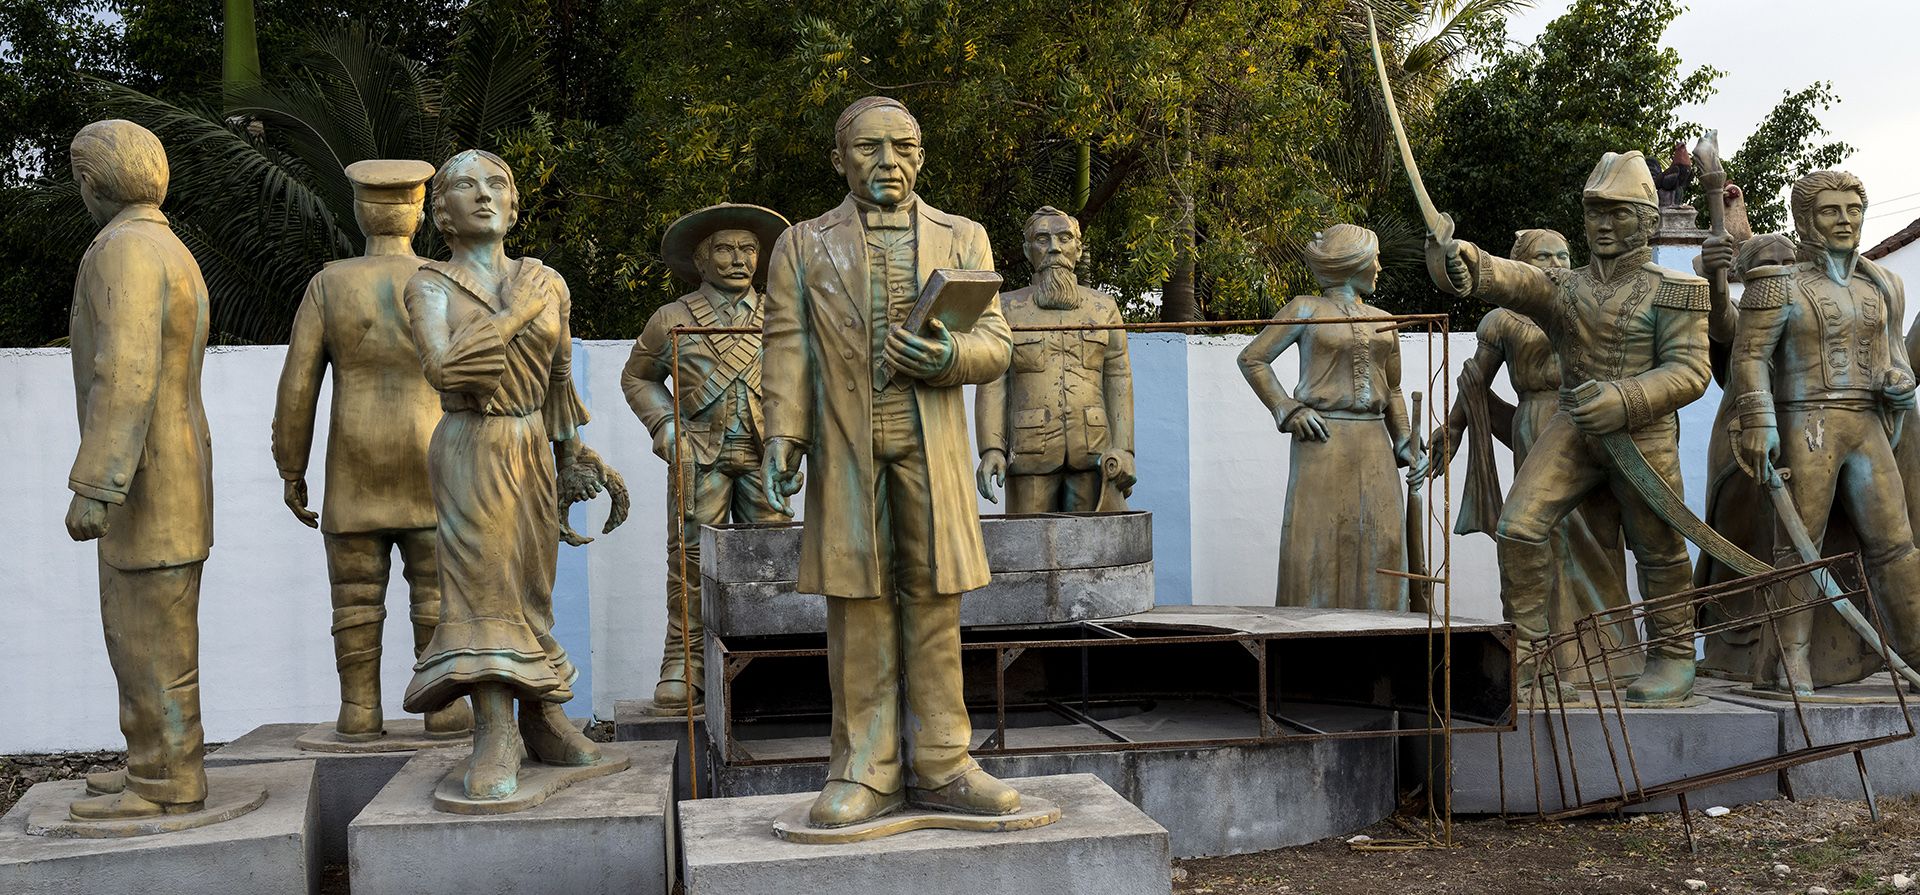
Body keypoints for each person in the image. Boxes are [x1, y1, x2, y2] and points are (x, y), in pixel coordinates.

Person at [760, 96, 1020, 827]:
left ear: (921, 157)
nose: (888, 162)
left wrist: (948, 356)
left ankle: (943, 762)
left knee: (936, 599)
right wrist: (783, 435)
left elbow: (997, 343)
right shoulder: (802, 245)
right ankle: (864, 770)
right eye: (869, 148)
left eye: (903, 147)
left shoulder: (962, 236)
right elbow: (787, 344)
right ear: (839, 160)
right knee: (858, 605)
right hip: (847, 448)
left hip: (930, 447)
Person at [1428, 151, 1712, 704]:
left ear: (1647, 221)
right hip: (1573, 428)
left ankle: (1674, 656)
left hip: (1644, 437)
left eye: (1618, 213)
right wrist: (1468, 261)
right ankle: (1530, 655)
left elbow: (1691, 371)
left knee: (1658, 548)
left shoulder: (1676, 289)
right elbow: (1518, 282)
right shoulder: (1566, 287)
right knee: (1518, 528)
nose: (1603, 224)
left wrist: (1625, 398)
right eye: (1594, 212)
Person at [400, 149, 618, 801]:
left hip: (531, 446)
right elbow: (445, 369)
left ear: (514, 203)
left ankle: (542, 718)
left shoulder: (545, 280)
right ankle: (494, 732)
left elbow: (559, 375)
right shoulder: (430, 286)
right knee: (483, 590)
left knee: (531, 587)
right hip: (472, 443)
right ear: (442, 211)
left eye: (497, 183)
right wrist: (513, 314)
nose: (485, 194)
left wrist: (571, 454)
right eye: (466, 185)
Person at [271, 159, 472, 741]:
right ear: (419, 214)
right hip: (434, 459)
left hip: (354, 464)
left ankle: (359, 710)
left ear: (360, 212)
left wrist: (291, 466)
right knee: (437, 592)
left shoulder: (330, 285)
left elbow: (298, 387)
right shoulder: (447, 281)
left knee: (354, 597)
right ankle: (443, 708)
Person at [1715, 170, 1920, 696]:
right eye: (1831, 211)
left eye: (1853, 210)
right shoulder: (1779, 284)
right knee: (1799, 547)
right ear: (1805, 221)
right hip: (1806, 425)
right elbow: (1749, 357)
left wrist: (1899, 382)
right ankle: (1791, 660)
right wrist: (1760, 422)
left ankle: (1915, 650)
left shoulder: (1883, 285)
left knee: (1896, 544)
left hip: (1867, 425)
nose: (1845, 221)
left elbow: (1893, 356)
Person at [63, 119, 214, 819]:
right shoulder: (166, 245)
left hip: (147, 481)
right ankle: (150, 758)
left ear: (91, 182)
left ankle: (163, 779)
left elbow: (124, 372)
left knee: (148, 636)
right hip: (172, 471)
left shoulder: (124, 249)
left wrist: (97, 484)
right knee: (149, 634)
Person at [1430, 229, 1636, 685]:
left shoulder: (1588, 306)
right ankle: (1549, 653)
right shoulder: (1503, 320)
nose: (1556, 264)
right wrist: (1454, 427)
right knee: (1545, 534)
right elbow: (1478, 379)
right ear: (1520, 262)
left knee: (1599, 535)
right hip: (1538, 423)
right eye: (1544, 256)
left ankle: (1608, 655)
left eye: (1563, 255)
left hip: (1593, 424)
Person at [622, 203, 793, 715]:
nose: (738, 259)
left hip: (766, 455)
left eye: (748, 249)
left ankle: (770, 664)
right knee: (691, 560)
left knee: (771, 559)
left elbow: (809, 379)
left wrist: (798, 439)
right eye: (724, 249)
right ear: (701, 259)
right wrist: (665, 424)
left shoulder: (784, 316)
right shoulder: (672, 318)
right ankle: (685, 662)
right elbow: (638, 377)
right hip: (699, 455)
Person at [1237, 224, 1420, 611]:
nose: (1379, 267)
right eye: (1374, 259)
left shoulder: (1384, 319)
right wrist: (1288, 408)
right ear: (1353, 262)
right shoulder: (1306, 308)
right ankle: (1310, 631)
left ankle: (1382, 631)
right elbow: (1253, 359)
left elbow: (1393, 389)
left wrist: (1404, 439)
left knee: (1383, 539)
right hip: (1322, 442)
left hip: (1375, 443)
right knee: (1315, 541)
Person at [975, 206, 1136, 512]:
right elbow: (993, 380)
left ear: (1078, 249)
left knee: (1092, 538)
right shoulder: (1005, 308)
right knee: (1029, 538)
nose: (1054, 248)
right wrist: (992, 448)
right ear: (1027, 251)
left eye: (1064, 238)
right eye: (1042, 239)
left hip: (1093, 452)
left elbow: (1118, 378)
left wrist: (1124, 449)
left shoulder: (1103, 309)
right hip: (1029, 451)